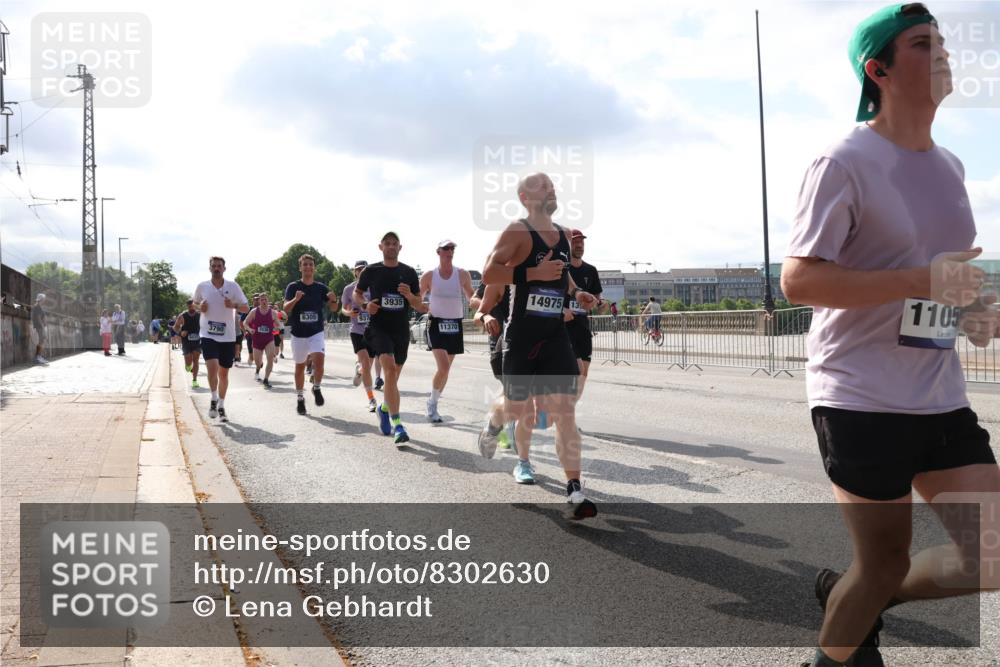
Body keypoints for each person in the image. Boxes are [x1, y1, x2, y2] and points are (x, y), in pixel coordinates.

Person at [782, 5, 1000, 666]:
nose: (942, 52)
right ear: (877, 70)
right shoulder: (843, 158)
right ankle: (846, 626)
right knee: (880, 564)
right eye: (920, 42)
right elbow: (799, 280)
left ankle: (862, 597)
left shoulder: (953, 169)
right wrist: (922, 280)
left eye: (942, 41)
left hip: (939, 396)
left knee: (990, 555)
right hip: (859, 395)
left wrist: (976, 313)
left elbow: (945, 283)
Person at [478, 172, 598, 519]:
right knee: (516, 407)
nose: (552, 188)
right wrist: (532, 275)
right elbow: (489, 273)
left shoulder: (561, 233)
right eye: (543, 185)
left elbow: (562, 273)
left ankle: (574, 489)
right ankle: (493, 425)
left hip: (553, 335)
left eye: (552, 184)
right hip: (521, 335)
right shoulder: (517, 231)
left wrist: (577, 293)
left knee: (565, 411)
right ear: (525, 197)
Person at [354, 231, 426, 445]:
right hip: (379, 328)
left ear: (400, 247)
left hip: (401, 330)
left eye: (395, 243)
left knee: (393, 377)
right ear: (381, 247)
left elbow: (419, 304)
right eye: (387, 243)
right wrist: (366, 305)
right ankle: (398, 425)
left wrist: (409, 296)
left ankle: (385, 409)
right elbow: (358, 294)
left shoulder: (409, 273)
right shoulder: (371, 271)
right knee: (389, 369)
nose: (391, 246)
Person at [420, 240, 475, 423]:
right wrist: (424, 306)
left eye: (452, 248)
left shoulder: (462, 274)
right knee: (443, 367)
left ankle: (432, 400)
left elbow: (471, 297)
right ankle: (432, 405)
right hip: (436, 323)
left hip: (455, 324)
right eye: (446, 248)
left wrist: (484, 307)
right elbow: (417, 299)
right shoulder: (429, 276)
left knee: (446, 370)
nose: (450, 251)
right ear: (438, 252)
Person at [193, 256, 249, 422]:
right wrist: (199, 307)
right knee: (212, 367)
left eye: (219, 266)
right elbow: (194, 304)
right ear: (210, 268)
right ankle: (213, 398)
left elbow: (246, 306)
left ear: (224, 268)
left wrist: (233, 305)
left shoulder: (233, 287)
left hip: (227, 336)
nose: (216, 268)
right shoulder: (202, 286)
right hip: (208, 334)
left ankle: (222, 405)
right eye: (214, 266)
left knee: (223, 373)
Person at [284, 254, 339, 415]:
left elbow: (334, 308)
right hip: (299, 333)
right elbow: (286, 309)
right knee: (300, 366)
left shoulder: (321, 288)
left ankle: (316, 387)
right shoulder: (293, 287)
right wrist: (295, 299)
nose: (308, 267)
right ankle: (300, 397)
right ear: (300, 267)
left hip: (316, 331)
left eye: (310, 264)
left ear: (314, 268)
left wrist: (334, 300)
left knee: (319, 362)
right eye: (305, 264)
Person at [471, 282, 515, 450]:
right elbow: (473, 301)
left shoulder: (525, 274)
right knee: (510, 389)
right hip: (497, 338)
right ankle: (503, 429)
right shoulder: (495, 276)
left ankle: (497, 422)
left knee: (513, 390)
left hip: (517, 340)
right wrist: (488, 304)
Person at [565, 229, 604, 400]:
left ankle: (568, 416)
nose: (579, 245)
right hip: (564, 328)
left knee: (583, 374)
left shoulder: (591, 270)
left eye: (581, 242)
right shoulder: (562, 269)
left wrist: (601, 306)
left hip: (583, 328)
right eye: (575, 242)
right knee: (577, 369)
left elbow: (597, 301)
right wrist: (562, 310)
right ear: (568, 244)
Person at [342, 260, 379, 412]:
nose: (362, 272)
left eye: (364, 269)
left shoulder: (375, 287)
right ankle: (371, 398)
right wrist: (349, 313)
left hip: (373, 332)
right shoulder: (349, 289)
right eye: (359, 270)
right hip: (357, 331)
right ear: (355, 272)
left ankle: (359, 370)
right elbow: (343, 309)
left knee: (367, 367)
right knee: (365, 363)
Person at [245, 293, 278, 387]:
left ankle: (266, 379)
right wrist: (249, 329)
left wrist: (277, 328)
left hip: (269, 339)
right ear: (259, 301)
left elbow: (278, 324)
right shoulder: (254, 311)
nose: (264, 301)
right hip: (257, 340)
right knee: (258, 362)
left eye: (265, 300)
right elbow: (245, 323)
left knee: (270, 359)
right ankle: (258, 366)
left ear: (268, 301)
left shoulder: (272, 312)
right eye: (262, 300)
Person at [174, 300, 202, 388]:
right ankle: (188, 367)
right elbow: (175, 327)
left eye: (193, 306)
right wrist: (180, 333)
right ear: (187, 306)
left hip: (197, 341)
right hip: (186, 341)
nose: (191, 308)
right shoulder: (182, 316)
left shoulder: (200, 315)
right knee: (188, 363)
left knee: (196, 360)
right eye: (189, 306)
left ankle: (194, 380)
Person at [31, 293, 48, 364]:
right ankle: (38, 357)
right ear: (41, 299)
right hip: (39, 326)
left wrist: (45, 325)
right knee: (41, 341)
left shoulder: (39, 306)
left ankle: (39, 356)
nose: (45, 300)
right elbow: (38, 318)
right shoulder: (37, 307)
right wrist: (42, 327)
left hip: (41, 326)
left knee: (42, 341)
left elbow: (42, 317)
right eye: (44, 299)